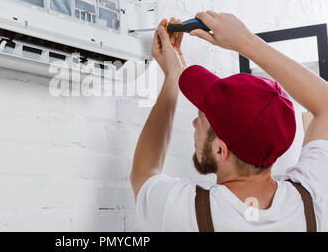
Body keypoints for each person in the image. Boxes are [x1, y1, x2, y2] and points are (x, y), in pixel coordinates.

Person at [130, 12, 328, 231]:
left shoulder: (187, 213)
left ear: (220, 150)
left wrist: (172, 77)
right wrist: (246, 41)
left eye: (202, 119)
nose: (195, 123)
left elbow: (143, 172)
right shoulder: (313, 200)